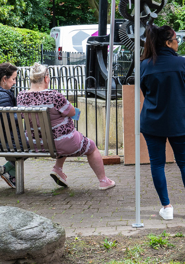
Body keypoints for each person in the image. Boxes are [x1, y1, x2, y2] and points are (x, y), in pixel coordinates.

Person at [17, 63, 115, 191]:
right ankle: (104, 181)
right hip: (62, 142)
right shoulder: (54, 96)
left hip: (34, 142)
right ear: (46, 78)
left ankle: (58, 169)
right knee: (91, 146)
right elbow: (72, 112)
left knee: (60, 134)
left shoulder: (21, 96)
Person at [140, 24, 185, 221]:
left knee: (157, 164)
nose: (178, 43)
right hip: (179, 120)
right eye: (176, 40)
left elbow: (145, 90)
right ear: (168, 42)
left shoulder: (145, 65)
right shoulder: (182, 64)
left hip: (152, 120)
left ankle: (166, 207)